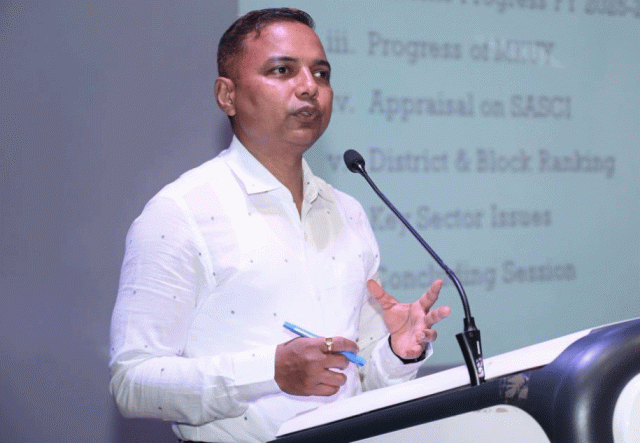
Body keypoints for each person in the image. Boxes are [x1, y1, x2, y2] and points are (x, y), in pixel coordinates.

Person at [109, 7, 450, 443]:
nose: (309, 87)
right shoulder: (180, 213)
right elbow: (133, 382)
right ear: (227, 95)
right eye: (282, 70)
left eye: (321, 73)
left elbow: (360, 375)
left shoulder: (347, 212)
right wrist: (269, 371)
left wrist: (396, 353)